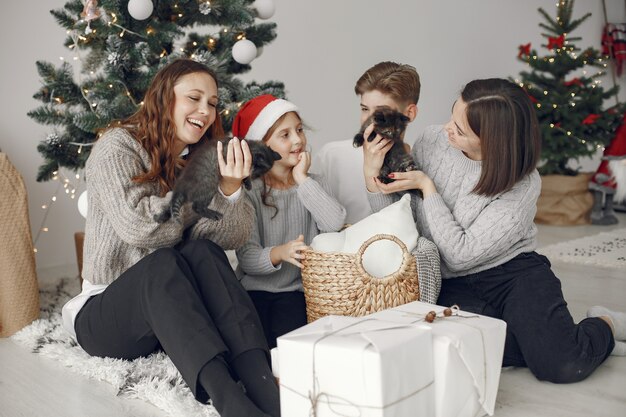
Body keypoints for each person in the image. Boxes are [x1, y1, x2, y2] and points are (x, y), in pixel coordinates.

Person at [364, 77, 624, 383]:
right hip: (446, 280)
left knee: (561, 364)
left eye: (460, 130)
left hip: (511, 274)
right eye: (452, 115)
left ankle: (604, 323)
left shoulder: (522, 184)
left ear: (493, 141)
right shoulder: (433, 141)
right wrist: (371, 174)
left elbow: (460, 254)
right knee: (460, 346)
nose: (447, 128)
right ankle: (544, 338)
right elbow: (397, 222)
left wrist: (428, 187)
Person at [60, 59, 280, 417]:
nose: (205, 111)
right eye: (194, 98)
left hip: (169, 310)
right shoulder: (116, 148)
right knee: (160, 262)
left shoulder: (194, 160)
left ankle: (262, 383)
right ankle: (229, 400)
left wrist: (228, 190)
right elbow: (141, 228)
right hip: (104, 315)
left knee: (205, 251)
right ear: (165, 100)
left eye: (212, 103)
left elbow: (230, 236)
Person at [232, 94, 347, 348]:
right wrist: (281, 252)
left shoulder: (313, 184)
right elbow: (247, 258)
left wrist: (303, 180)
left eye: (299, 130)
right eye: (285, 135)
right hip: (254, 291)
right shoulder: (249, 192)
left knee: (288, 346)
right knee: (253, 344)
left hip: (297, 292)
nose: (298, 140)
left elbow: (334, 223)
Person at [313, 61, 420, 224]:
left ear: (409, 113)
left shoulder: (417, 165)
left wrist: (372, 173)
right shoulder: (332, 156)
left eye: (380, 111)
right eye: (364, 109)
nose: (368, 120)